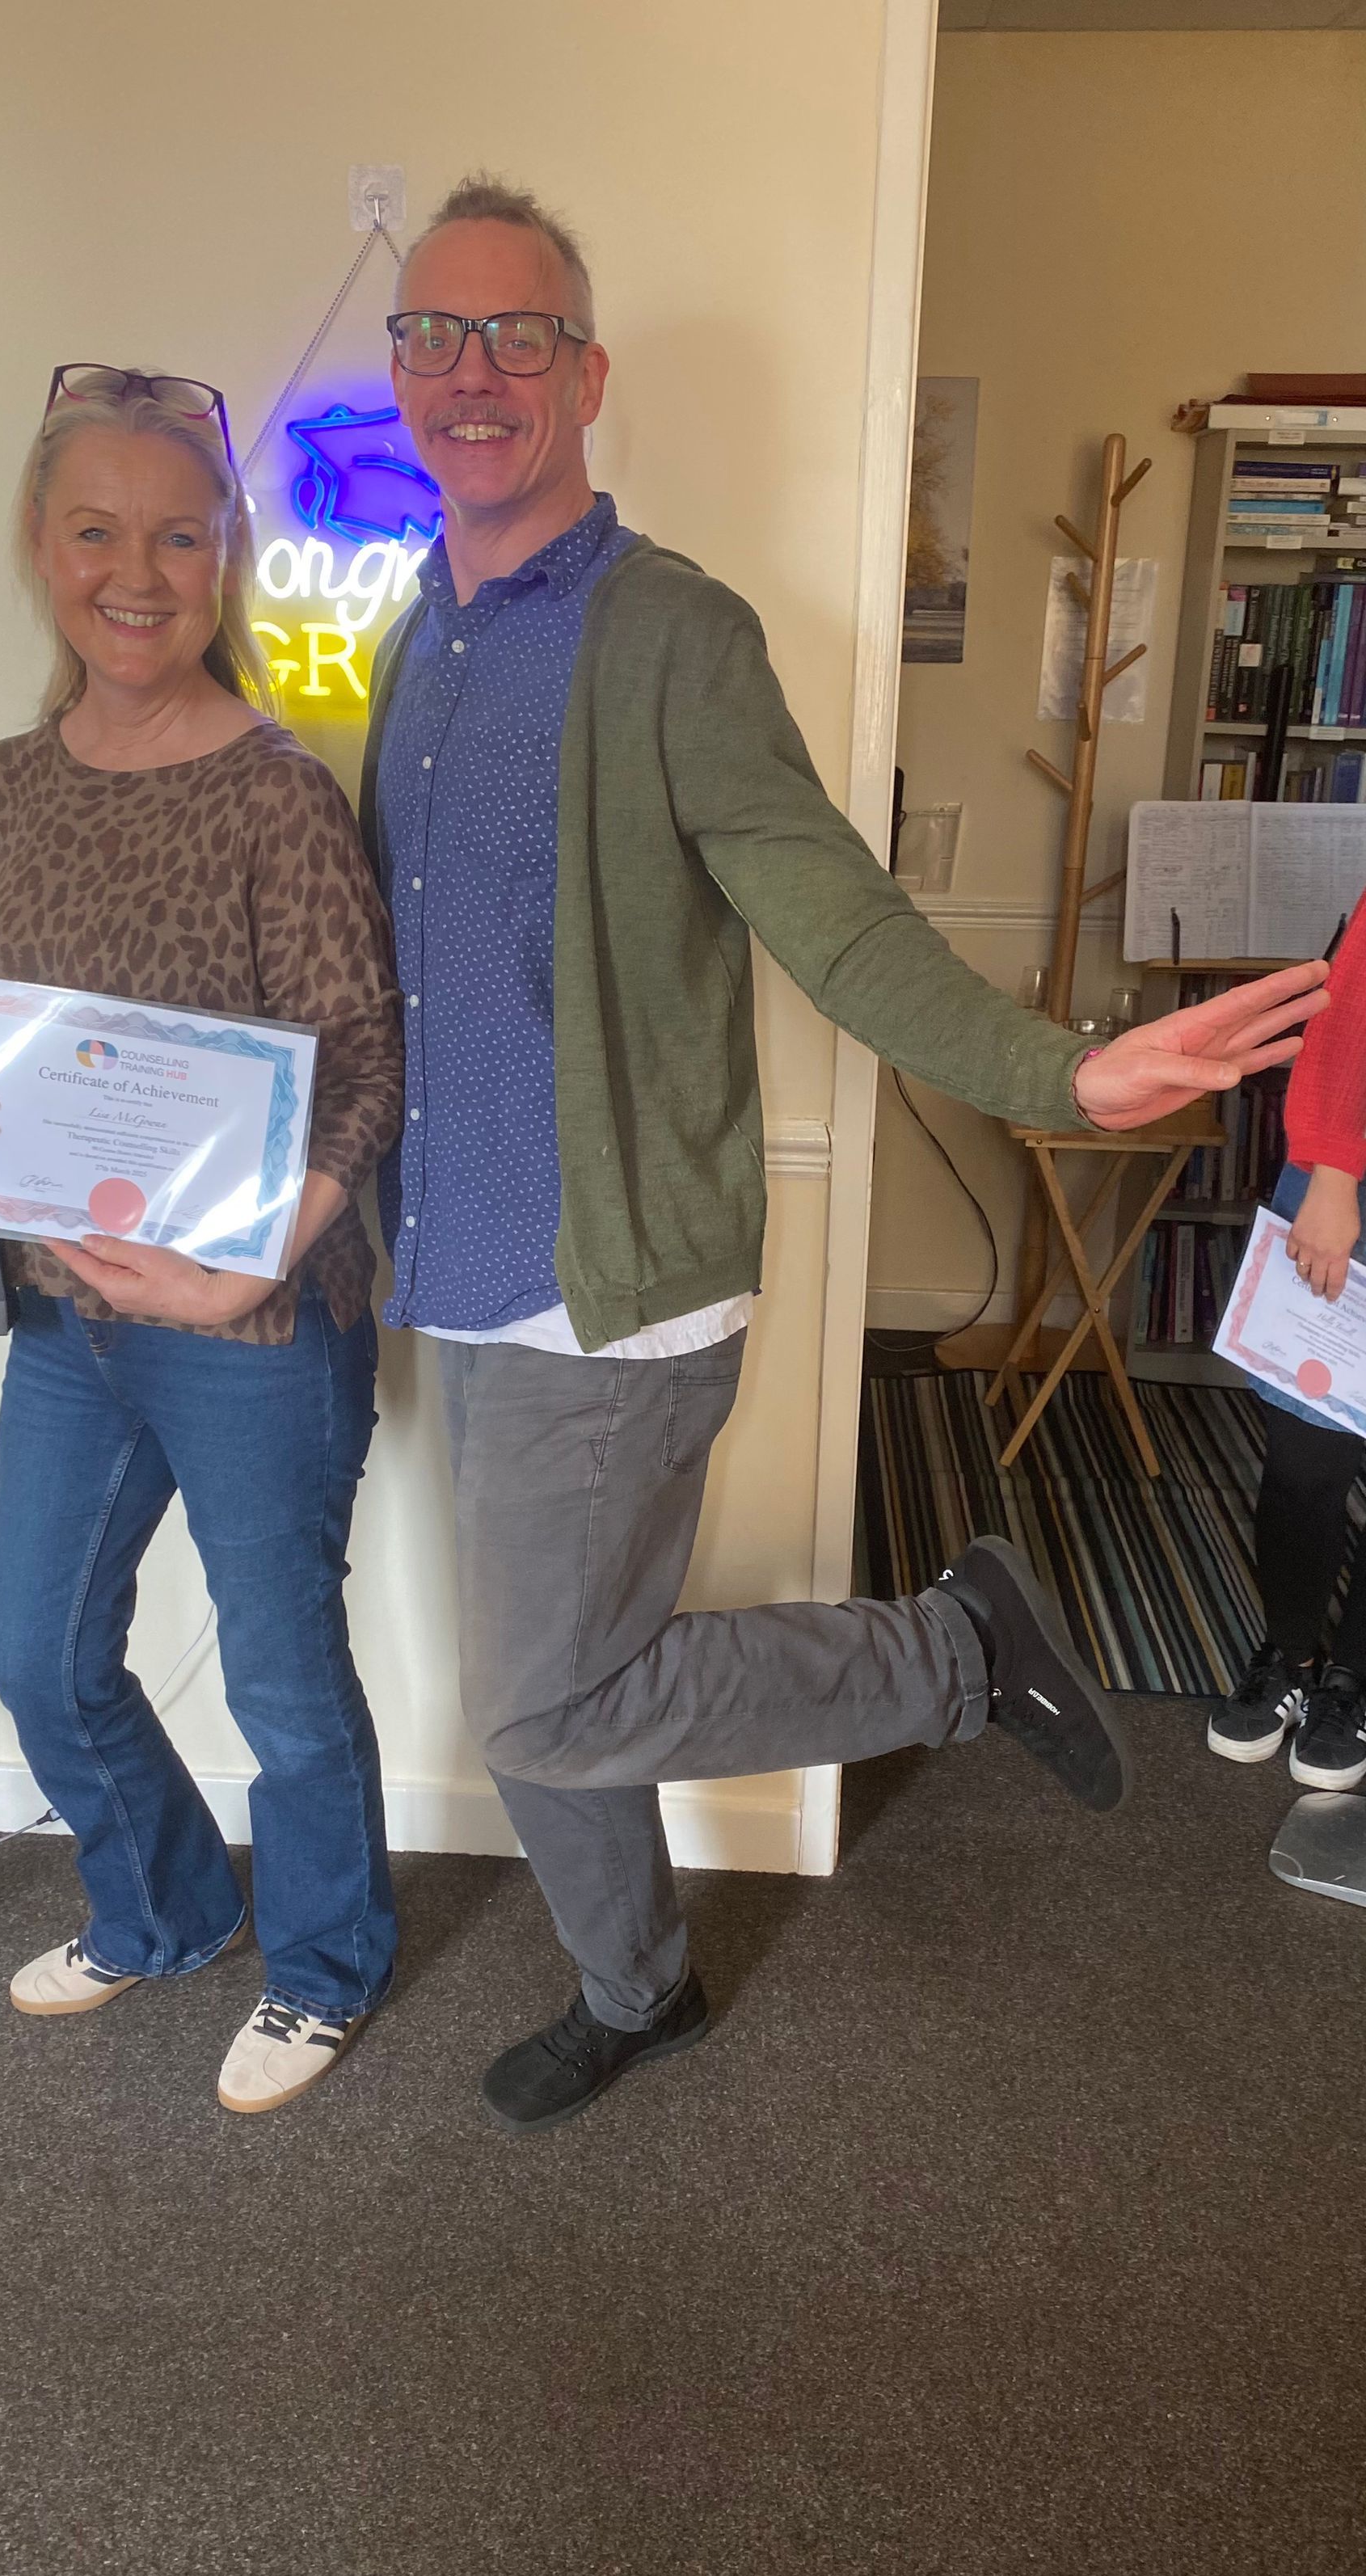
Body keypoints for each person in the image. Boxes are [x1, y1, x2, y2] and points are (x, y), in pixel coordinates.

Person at [360, 176, 1330, 2137]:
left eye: (517, 334)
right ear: (399, 373)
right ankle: (637, 1985)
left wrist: (1069, 1075)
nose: (474, 372)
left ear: (587, 373)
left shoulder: (671, 636)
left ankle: (951, 1648)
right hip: (450, 1257)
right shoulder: (419, 635)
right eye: (434, 335)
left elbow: (836, 916)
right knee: (563, 1688)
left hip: (605, 1274)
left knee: (543, 1703)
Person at [0, 365, 404, 2115]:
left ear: (226, 556)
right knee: (38, 1651)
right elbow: (13, 1038)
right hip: (66, 1314)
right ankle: (168, 1908)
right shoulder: (7, 784)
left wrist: (261, 1262)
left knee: (279, 1670)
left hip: (254, 1325)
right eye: (98, 528)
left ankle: (325, 1962)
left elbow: (367, 1065)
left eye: (180, 533)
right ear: (43, 546)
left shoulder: (275, 791)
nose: (139, 568)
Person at [1208, 887, 1366, 1788]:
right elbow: (1352, 1013)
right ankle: (1291, 1656)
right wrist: (1334, 1175)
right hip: (1352, 1182)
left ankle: (1352, 1680)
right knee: (1308, 1459)